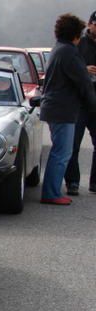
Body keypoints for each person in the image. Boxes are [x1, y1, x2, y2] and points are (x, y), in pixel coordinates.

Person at [40, 13, 96, 205]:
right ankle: (51, 192)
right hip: (63, 109)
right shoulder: (70, 52)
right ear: (75, 35)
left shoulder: (60, 49)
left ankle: (52, 190)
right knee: (62, 153)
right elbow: (83, 83)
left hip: (56, 107)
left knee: (61, 151)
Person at [65, 11, 96, 195]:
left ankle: (95, 183)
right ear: (90, 24)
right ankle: (73, 182)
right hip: (79, 101)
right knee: (73, 144)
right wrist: (84, 69)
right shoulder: (78, 43)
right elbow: (68, 66)